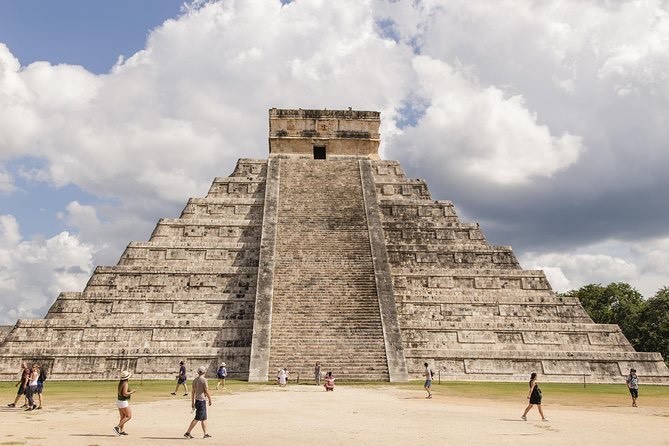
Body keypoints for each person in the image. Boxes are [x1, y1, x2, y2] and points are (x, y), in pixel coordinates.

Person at [184, 366, 212, 439]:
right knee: (197, 418)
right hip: (201, 401)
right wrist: (210, 399)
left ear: (198, 372)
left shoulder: (195, 380)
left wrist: (192, 402)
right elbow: (206, 390)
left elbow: (193, 392)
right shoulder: (204, 380)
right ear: (204, 372)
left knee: (204, 418)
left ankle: (205, 434)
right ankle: (187, 432)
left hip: (197, 401)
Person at [114, 370, 136, 436]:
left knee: (123, 417)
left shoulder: (121, 383)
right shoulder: (125, 384)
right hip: (123, 402)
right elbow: (125, 393)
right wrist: (132, 392)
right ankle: (117, 427)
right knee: (129, 416)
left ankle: (121, 430)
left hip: (119, 401)